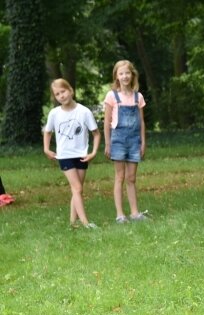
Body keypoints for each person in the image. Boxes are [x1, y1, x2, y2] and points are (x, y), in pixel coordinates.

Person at [43, 79, 101, 228]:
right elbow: (48, 132)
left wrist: (93, 152)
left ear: (70, 90)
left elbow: (96, 133)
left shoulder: (84, 111)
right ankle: (85, 223)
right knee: (77, 189)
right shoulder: (54, 114)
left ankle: (72, 223)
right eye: (57, 94)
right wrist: (46, 148)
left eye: (63, 91)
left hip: (82, 155)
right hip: (64, 156)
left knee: (77, 190)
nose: (61, 96)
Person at [103, 60, 148, 224]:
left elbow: (142, 122)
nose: (124, 76)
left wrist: (143, 142)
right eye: (121, 73)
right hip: (118, 141)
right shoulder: (112, 96)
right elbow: (107, 121)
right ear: (116, 76)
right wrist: (107, 143)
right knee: (120, 177)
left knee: (131, 178)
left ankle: (135, 213)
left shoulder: (138, 97)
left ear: (132, 75)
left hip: (134, 141)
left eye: (127, 73)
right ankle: (120, 214)